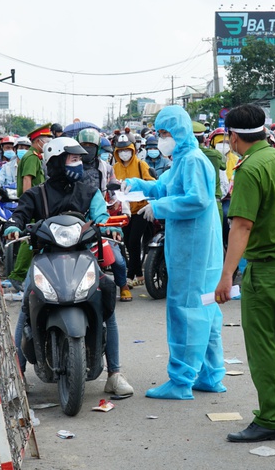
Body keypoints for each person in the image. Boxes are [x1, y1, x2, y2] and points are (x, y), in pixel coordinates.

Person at [4, 136, 133, 397]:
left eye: (79, 160)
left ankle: (115, 374)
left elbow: (100, 216)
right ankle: (16, 374)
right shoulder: (36, 193)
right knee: (26, 306)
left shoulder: (89, 192)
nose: (78, 164)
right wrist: (14, 226)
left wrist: (107, 226)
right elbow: (20, 213)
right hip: (45, 257)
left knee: (106, 302)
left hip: (83, 258)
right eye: (73, 159)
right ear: (56, 162)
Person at [123, 105, 224, 401]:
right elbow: (163, 186)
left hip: (193, 248)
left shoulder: (192, 160)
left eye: (166, 133)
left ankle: (181, 381)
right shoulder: (182, 161)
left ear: (179, 132)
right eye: (159, 133)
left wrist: (160, 207)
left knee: (186, 310)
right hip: (197, 247)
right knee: (205, 307)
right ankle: (210, 374)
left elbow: (198, 199)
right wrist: (138, 186)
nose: (162, 139)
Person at [212, 104, 275, 443]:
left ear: (233, 137)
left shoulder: (249, 169)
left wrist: (226, 275)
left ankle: (269, 418)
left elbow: (242, 225)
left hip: (266, 269)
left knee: (264, 346)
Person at [77, 127, 131, 303]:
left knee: (117, 259)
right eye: (83, 145)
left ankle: (122, 285)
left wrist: (116, 200)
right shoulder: (71, 166)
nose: (87, 149)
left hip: (100, 213)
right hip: (75, 217)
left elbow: (114, 189)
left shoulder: (106, 168)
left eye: (91, 145)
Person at [7, 125, 52, 291]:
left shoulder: (33, 156)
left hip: (35, 202)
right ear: (39, 142)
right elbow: (28, 180)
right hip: (33, 203)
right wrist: (29, 203)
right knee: (29, 239)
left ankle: (25, 274)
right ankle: (18, 275)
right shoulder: (32, 157)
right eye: (47, 142)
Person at [113, 134, 155, 287]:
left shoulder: (141, 165)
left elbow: (152, 183)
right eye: (121, 150)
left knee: (134, 241)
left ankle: (130, 276)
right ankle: (139, 274)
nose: (124, 153)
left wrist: (139, 188)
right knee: (128, 243)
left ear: (133, 150)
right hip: (124, 211)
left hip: (141, 209)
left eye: (127, 150)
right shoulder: (115, 168)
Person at [194, 121, 225, 222]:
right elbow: (223, 166)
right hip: (214, 204)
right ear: (204, 139)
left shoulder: (181, 156)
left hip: (192, 207)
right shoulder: (215, 155)